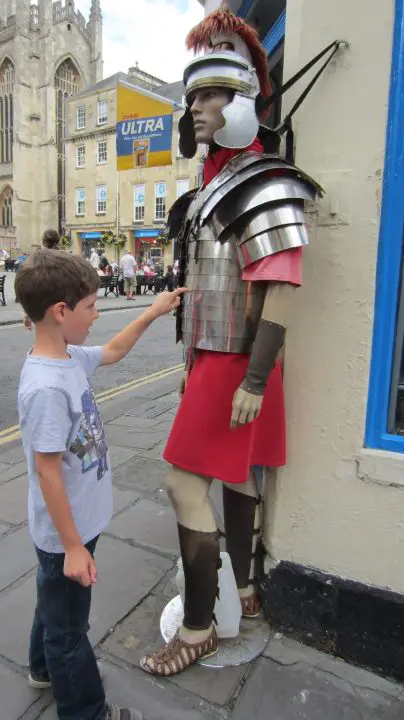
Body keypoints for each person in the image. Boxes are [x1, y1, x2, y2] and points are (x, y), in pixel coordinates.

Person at [140, 4, 321, 676]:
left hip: (241, 361)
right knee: (238, 477)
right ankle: (242, 592)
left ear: (244, 99)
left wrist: (250, 378)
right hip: (216, 358)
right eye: (194, 96)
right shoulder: (211, 185)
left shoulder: (265, 179)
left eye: (213, 94)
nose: (199, 108)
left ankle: (197, 627)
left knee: (182, 483)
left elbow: (279, 285)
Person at [15, 249, 186, 720]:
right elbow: (47, 471)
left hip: (75, 525)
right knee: (69, 631)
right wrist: (72, 547)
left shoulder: (66, 356)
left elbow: (111, 352)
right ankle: (86, 711)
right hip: (64, 532)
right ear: (60, 312)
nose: (98, 313)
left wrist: (152, 312)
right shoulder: (47, 387)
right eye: (91, 306)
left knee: (54, 604)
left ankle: (41, 669)